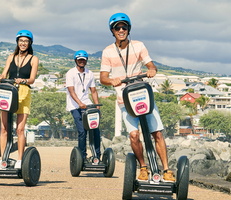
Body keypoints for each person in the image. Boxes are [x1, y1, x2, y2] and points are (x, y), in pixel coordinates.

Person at [99, 13, 175, 182]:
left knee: (157, 134)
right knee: (134, 135)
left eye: (124, 27)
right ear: (112, 31)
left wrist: (151, 70)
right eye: (117, 27)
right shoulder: (108, 52)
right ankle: (143, 167)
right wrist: (112, 80)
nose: (121, 30)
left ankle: (166, 170)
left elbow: (150, 65)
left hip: (143, 96)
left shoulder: (138, 46)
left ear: (129, 29)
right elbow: (103, 77)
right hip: (124, 99)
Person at [0, 30, 39, 169]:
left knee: (20, 129)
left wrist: (23, 80)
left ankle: (19, 160)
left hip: (24, 93)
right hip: (8, 92)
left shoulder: (33, 59)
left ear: (29, 43)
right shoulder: (11, 57)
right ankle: (3, 159)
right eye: (21, 41)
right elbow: (4, 73)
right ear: (17, 42)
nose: (23, 43)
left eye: (26, 41)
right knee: (4, 128)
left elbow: (32, 79)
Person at [66, 50, 101, 163]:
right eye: (80, 60)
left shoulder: (90, 73)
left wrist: (96, 105)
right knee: (82, 131)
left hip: (87, 104)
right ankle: (82, 156)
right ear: (76, 60)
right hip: (74, 105)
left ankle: (97, 155)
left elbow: (94, 91)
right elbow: (71, 92)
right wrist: (79, 103)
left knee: (95, 129)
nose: (81, 62)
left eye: (83, 60)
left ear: (86, 61)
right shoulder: (70, 73)